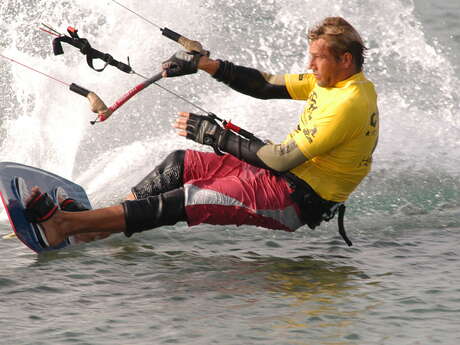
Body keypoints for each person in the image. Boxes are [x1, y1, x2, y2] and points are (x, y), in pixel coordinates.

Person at [24, 16, 379, 248]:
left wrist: (215, 136)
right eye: (311, 56)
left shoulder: (348, 103)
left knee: (187, 199)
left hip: (294, 200)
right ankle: (93, 227)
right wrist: (206, 65)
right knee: (179, 165)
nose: (309, 65)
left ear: (345, 60)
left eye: (318, 58)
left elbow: (279, 160)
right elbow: (268, 85)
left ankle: (63, 224)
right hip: (276, 175)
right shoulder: (331, 82)